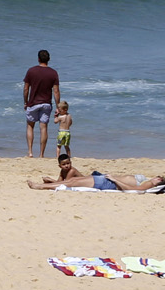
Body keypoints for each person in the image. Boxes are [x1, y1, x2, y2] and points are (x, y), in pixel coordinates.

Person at [29, 156, 161, 191]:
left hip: (109, 183)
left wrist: (114, 180)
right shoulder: (148, 180)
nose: (157, 178)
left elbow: (133, 190)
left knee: (72, 183)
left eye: (159, 179)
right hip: (106, 179)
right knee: (72, 182)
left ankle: (40, 186)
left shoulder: (148, 185)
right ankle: (47, 184)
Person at [23, 50, 61, 157]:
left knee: (30, 126)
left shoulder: (31, 71)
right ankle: (41, 154)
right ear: (48, 59)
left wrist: (26, 102)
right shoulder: (53, 73)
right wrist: (58, 106)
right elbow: (56, 91)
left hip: (33, 103)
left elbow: (26, 89)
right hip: (46, 103)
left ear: (38, 59)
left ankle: (30, 151)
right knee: (43, 128)